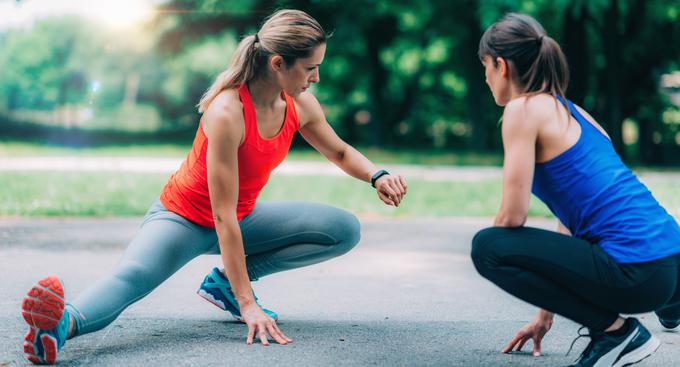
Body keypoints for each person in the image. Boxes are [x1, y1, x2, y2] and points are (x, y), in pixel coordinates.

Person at [20, 9, 407, 365]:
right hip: (183, 218)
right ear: (277, 63)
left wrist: (377, 175)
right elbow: (221, 216)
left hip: (243, 216)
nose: (316, 77)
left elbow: (339, 152)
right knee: (132, 278)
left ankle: (223, 282)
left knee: (342, 230)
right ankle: (57, 328)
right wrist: (248, 304)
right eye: (310, 68)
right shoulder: (227, 112)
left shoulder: (300, 104)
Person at [470, 13, 680, 367]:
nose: (486, 77)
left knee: (488, 247)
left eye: (485, 67)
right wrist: (545, 314)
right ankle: (670, 305)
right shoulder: (576, 113)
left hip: (637, 274)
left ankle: (617, 333)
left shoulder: (523, 110)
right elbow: (570, 225)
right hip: (669, 264)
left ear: (501, 66)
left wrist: (506, 256)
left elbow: (512, 216)